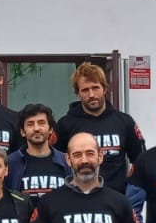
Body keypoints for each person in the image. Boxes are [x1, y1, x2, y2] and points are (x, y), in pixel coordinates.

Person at [53, 63, 144, 194]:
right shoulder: (65, 125)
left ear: (105, 89)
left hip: (117, 199)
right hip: (77, 198)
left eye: (95, 88)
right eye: (85, 90)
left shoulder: (124, 122)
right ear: (78, 93)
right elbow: (55, 163)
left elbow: (140, 160)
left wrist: (131, 192)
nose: (91, 94)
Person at [7, 103, 69, 201]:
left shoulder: (66, 162)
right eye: (30, 124)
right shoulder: (11, 163)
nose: (36, 128)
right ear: (22, 132)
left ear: (51, 129)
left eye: (41, 123)